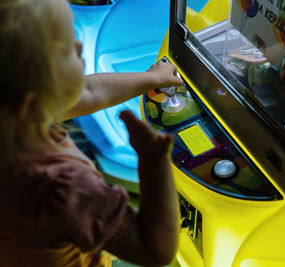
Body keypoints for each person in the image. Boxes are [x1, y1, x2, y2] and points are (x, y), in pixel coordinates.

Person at [0, 0, 183, 266]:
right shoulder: (65, 188)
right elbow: (155, 249)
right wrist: (153, 162)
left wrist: (152, 78)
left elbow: (90, 91)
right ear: (32, 102)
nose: (79, 46)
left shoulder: (15, 114)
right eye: (66, 49)